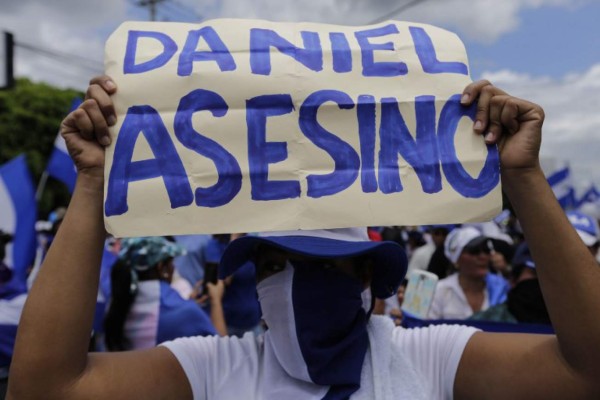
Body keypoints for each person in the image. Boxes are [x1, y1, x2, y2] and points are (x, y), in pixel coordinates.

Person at [7, 77, 600, 399]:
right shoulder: (216, 369)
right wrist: (91, 184)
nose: (290, 285)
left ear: (367, 277)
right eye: (272, 266)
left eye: (322, 266)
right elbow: (44, 390)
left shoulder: (427, 359)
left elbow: (587, 371)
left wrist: (522, 177)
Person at [104, 237, 222, 351]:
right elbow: (222, 352)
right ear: (161, 268)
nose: (174, 267)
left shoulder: (117, 299)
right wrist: (216, 301)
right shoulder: (184, 311)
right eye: (171, 262)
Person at [427, 226, 509, 319]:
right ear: (456, 260)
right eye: (474, 251)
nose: (482, 256)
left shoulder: (501, 288)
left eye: (486, 250)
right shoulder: (439, 291)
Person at [470, 243, 550, 324]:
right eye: (535, 273)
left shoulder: (561, 324)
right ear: (513, 279)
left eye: (551, 277)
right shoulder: (484, 323)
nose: (544, 282)